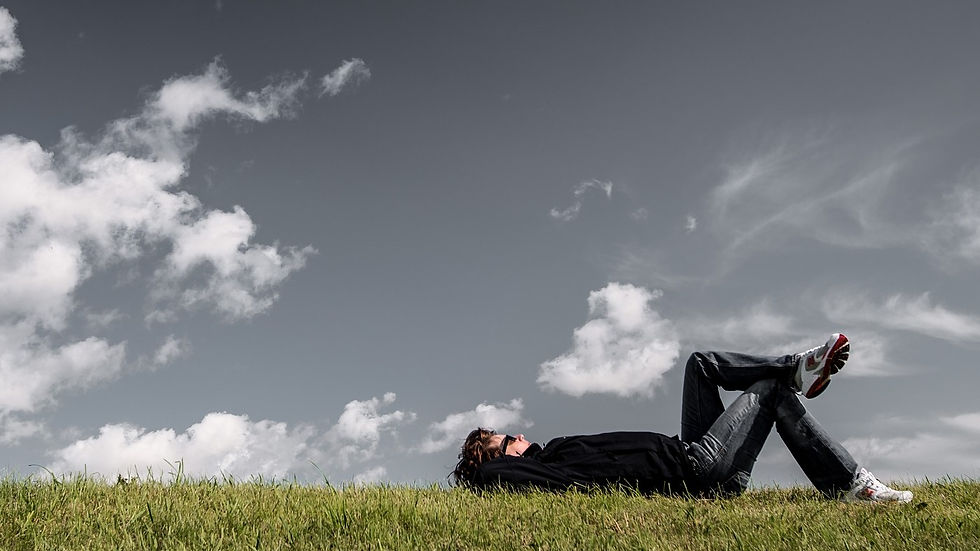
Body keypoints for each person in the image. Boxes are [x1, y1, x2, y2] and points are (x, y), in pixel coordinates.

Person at [452, 333, 913, 503]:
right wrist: (484, 459)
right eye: (502, 439)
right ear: (495, 460)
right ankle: (855, 485)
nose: (515, 434)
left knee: (699, 363)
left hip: (686, 447)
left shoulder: (554, 451)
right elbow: (491, 477)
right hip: (696, 471)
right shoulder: (527, 472)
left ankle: (797, 366)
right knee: (770, 393)